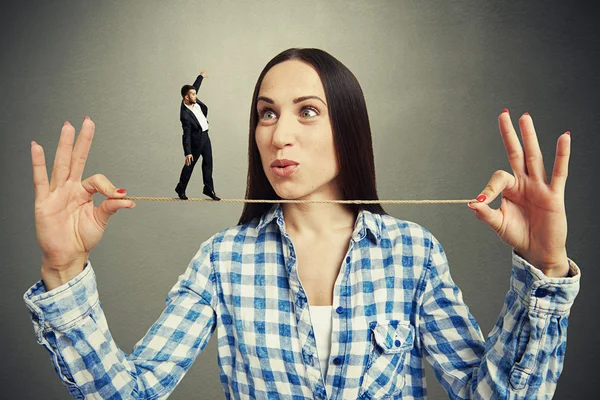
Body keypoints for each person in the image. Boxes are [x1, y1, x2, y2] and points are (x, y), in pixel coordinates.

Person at [25, 48, 579, 399]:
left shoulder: (414, 254)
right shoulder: (223, 260)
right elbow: (131, 394)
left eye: (306, 110)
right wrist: (64, 268)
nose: (277, 133)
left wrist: (544, 269)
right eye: (267, 113)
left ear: (348, 125)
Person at [175, 69, 220, 201]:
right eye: (193, 95)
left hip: (205, 136)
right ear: (186, 98)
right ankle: (181, 188)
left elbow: (195, 87)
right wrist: (187, 152)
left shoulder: (193, 100)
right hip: (196, 140)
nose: (196, 96)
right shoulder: (185, 116)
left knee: (208, 162)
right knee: (190, 165)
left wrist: (200, 77)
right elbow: (186, 135)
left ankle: (208, 189)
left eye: (195, 94)